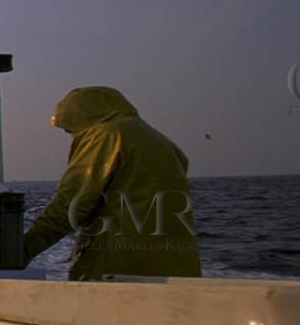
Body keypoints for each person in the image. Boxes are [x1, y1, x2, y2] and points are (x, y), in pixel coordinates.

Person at [22, 86, 201, 280]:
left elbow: (70, 206)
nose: (73, 138)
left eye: (70, 131)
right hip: (179, 273)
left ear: (84, 120)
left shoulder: (106, 136)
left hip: (120, 270)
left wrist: (19, 253)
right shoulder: (163, 143)